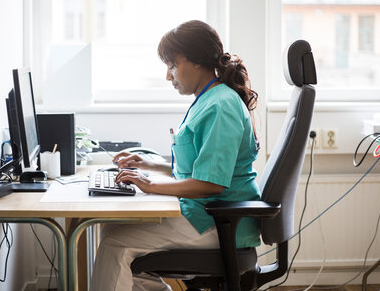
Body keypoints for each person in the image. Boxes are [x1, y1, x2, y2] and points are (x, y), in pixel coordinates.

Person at [90, 20, 261, 291]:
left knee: (115, 245)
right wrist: (151, 164)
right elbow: (197, 166)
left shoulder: (221, 106)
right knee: (110, 229)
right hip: (207, 215)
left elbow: (211, 183)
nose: (168, 76)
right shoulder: (208, 99)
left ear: (196, 62)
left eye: (171, 66)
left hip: (218, 224)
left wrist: (150, 185)